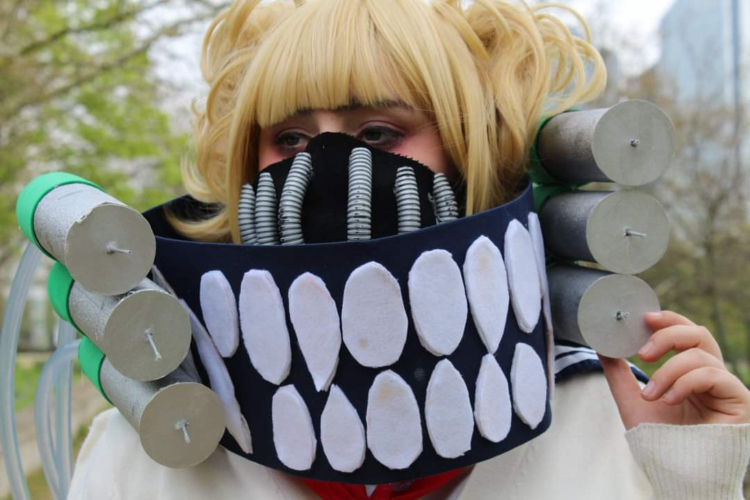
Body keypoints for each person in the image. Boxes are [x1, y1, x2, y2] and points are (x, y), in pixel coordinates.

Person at [68, 0, 750, 498]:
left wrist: (694, 478)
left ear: (466, 150)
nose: (327, 168)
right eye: (291, 140)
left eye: (377, 132)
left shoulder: (608, 419)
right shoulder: (161, 442)